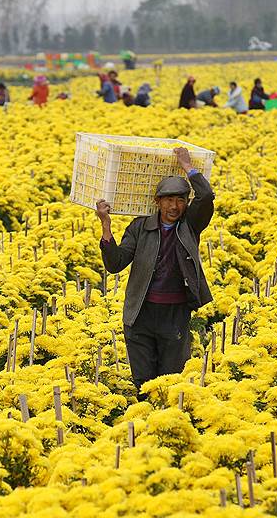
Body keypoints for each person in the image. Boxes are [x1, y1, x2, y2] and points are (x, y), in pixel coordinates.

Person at [96, 147, 214, 398]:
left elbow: (206, 196)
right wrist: (106, 226)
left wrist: (187, 166)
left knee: (171, 380)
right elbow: (115, 263)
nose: (174, 206)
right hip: (141, 314)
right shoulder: (140, 227)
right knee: (143, 381)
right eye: (169, 200)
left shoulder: (190, 225)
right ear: (157, 202)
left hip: (175, 314)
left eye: (181, 200)